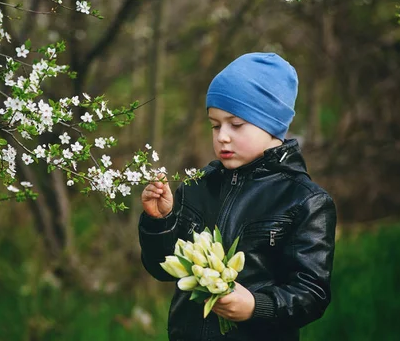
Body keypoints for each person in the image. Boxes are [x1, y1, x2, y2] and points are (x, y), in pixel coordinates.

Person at [138, 52, 337, 341]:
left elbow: (311, 294)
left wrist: (258, 306)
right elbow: (163, 269)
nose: (222, 137)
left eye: (237, 124)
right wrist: (161, 222)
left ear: (271, 124)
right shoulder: (197, 185)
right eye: (215, 125)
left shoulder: (304, 201)